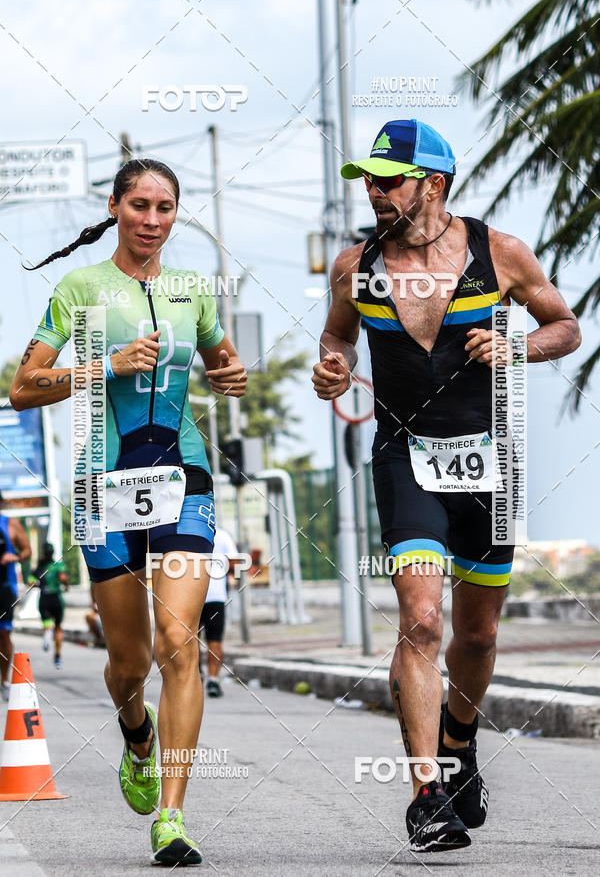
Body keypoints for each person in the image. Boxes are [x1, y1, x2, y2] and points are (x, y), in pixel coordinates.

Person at [312, 119, 581, 853]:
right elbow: (336, 336)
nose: (373, 192)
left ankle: (460, 744)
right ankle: (428, 793)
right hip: (406, 455)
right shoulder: (354, 267)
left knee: (479, 631)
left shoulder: (501, 253)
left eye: (388, 180)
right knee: (423, 620)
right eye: (368, 180)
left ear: (432, 184)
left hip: (490, 459)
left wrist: (515, 346)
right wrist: (332, 364)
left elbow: (566, 327)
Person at [10, 159, 247, 865]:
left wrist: (231, 374)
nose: (152, 219)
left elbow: (224, 361)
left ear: (177, 214)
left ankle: (171, 818)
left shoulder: (192, 290)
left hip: (185, 477)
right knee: (128, 661)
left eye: (165, 207)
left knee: (180, 642)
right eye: (139, 204)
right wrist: (107, 365)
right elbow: (24, 387)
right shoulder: (80, 289)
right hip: (100, 484)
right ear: (115, 207)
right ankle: (135, 731)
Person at [198, 526, 239, 697]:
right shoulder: (222, 535)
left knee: (190, 639)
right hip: (216, 595)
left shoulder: (192, 532)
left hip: (192, 595)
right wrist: (229, 575)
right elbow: (235, 562)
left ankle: (194, 675)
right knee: (215, 639)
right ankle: (213, 679)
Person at [0, 491, 32, 699]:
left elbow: (27, 549)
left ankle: (4, 681)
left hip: (4, 587)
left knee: (3, 635)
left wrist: (16, 556)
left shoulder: (10, 525)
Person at [29, 542, 68, 668]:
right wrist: (66, 586)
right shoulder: (58, 565)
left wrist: (37, 584)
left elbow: (30, 581)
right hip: (56, 597)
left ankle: (47, 632)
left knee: (47, 622)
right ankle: (57, 657)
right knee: (59, 627)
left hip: (44, 597)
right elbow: (63, 578)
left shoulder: (40, 567)